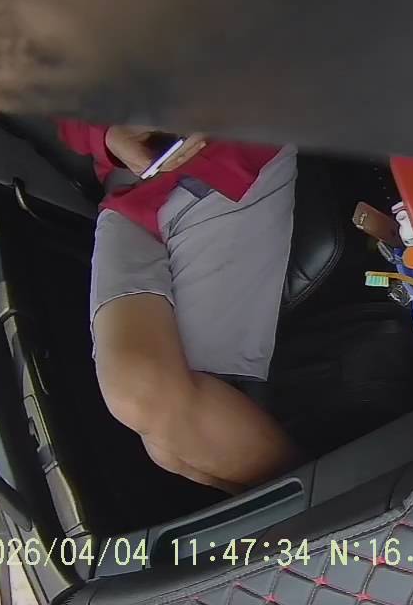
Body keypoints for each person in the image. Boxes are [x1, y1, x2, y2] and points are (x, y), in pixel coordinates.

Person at [58, 120, 300, 493]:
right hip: (129, 191)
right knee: (169, 443)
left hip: (227, 157)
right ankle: (328, 508)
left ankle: (335, 508)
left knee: (158, 415)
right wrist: (105, 136)